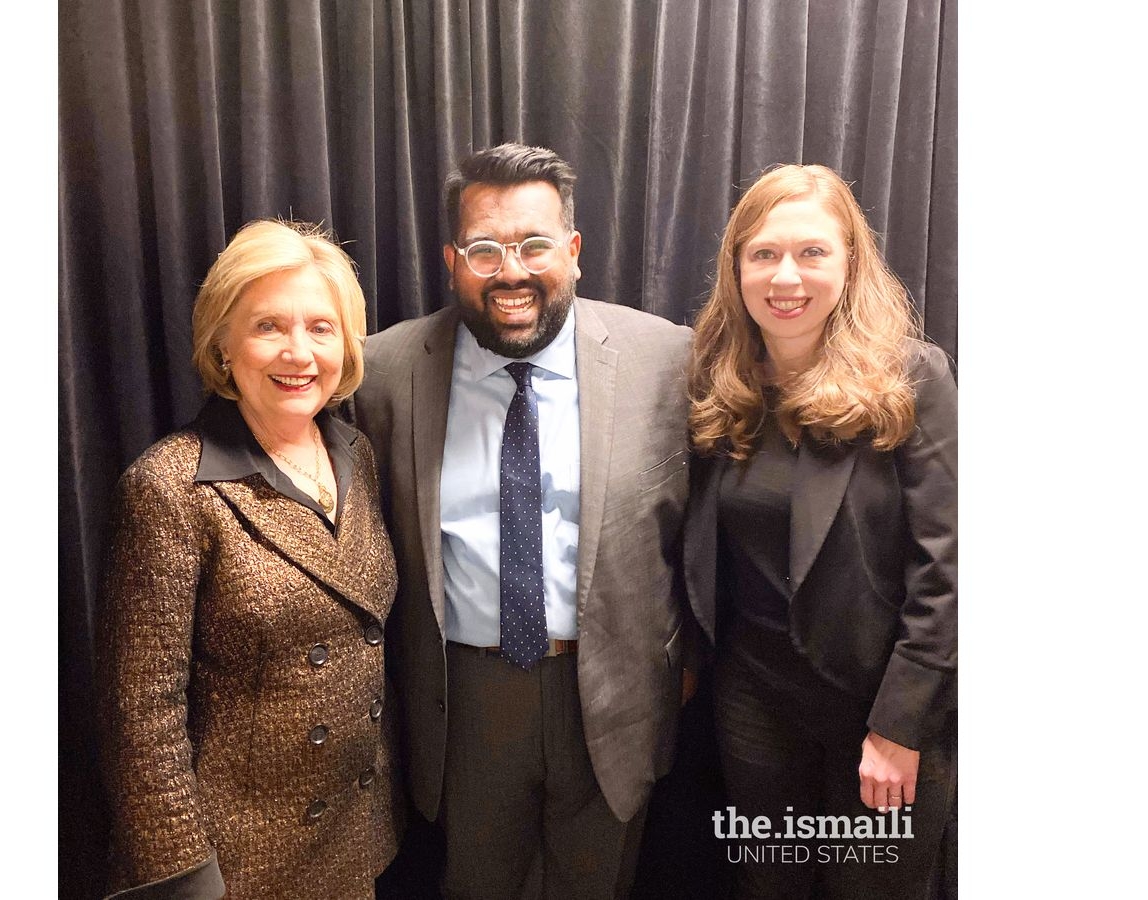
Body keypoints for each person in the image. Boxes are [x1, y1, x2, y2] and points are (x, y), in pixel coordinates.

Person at [350, 143, 695, 899]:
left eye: (535, 244)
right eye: (485, 248)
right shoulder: (381, 372)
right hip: (464, 700)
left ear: (572, 251)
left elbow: (705, 534)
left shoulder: (668, 359)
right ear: (452, 259)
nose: (512, 270)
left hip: (612, 694)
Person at [96, 220, 402, 900]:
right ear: (224, 345)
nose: (299, 352)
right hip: (237, 866)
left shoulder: (358, 456)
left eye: (321, 327)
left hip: (354, 844)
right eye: (269, 325)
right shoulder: (170, 486)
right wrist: (183, 878)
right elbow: (139, 716)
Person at [684, 163, 956, 899]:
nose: (786, 277)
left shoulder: (911, 379)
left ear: (850, 263)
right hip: (754, 707)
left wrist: (901, 729)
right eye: (764, 254)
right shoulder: (716, 384)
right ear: (737, 266)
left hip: (878, 712)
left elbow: (951, 569)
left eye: (812, 253)